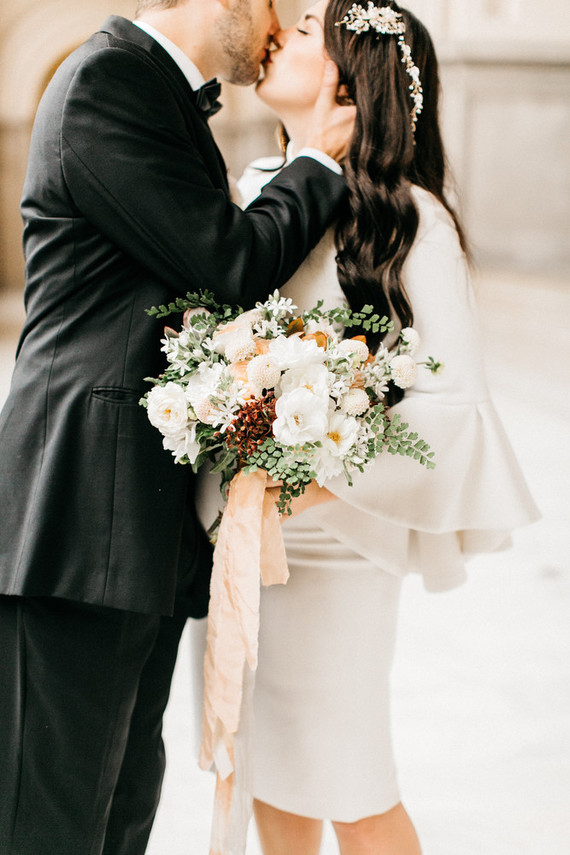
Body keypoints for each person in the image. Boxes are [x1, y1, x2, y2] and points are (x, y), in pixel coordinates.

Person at [0, 0, 357, 853]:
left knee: (117, 816)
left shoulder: (160, 93)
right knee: (48, 824)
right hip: (78, 517)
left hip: (131, 529)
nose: (282, 26)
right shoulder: (107, 80)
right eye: (279, 4)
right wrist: (314, 163)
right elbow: (227, 263)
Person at [194, 1, 540, 852]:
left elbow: (453, 413)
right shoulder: (245, 195)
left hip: (337, 551)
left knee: (349, 779)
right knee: (274, 776)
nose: (278, 31)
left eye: (306, 29)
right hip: (237, 540)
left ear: (350, 82)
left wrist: (319, 467)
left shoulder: (411, 222)